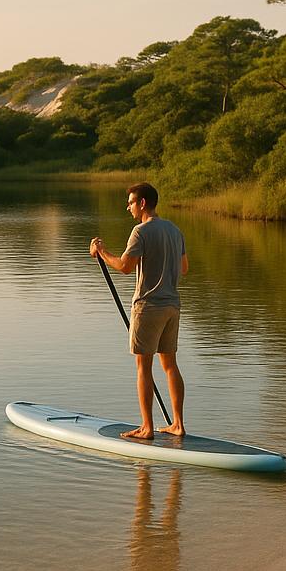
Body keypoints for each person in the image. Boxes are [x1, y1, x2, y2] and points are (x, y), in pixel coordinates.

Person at [90, 182, 189, 441]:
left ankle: (146, 428)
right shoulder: (175, 230)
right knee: (170, 365)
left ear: (142, 203)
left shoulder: (140, 231)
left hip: (148, 307)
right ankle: (177, 424)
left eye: (131, 202)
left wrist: (101, 251)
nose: (128, 206)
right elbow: (185, 268)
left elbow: (124, 266)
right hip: (172, 306)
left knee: (143, 367)